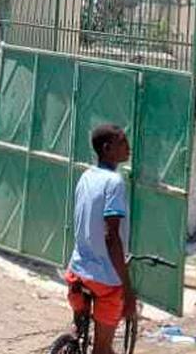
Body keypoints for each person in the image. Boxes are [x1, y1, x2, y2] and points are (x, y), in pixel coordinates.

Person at [65, 125, 134, 354]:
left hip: (77, 271)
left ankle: (74, 336)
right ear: (107, 148)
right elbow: (111, 237)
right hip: (105, 280)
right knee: (102, 349)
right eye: (122, 142)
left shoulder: (86, 176)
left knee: (80, 330)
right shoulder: (114, 182)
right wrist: (127, 288)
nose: (128, 147)